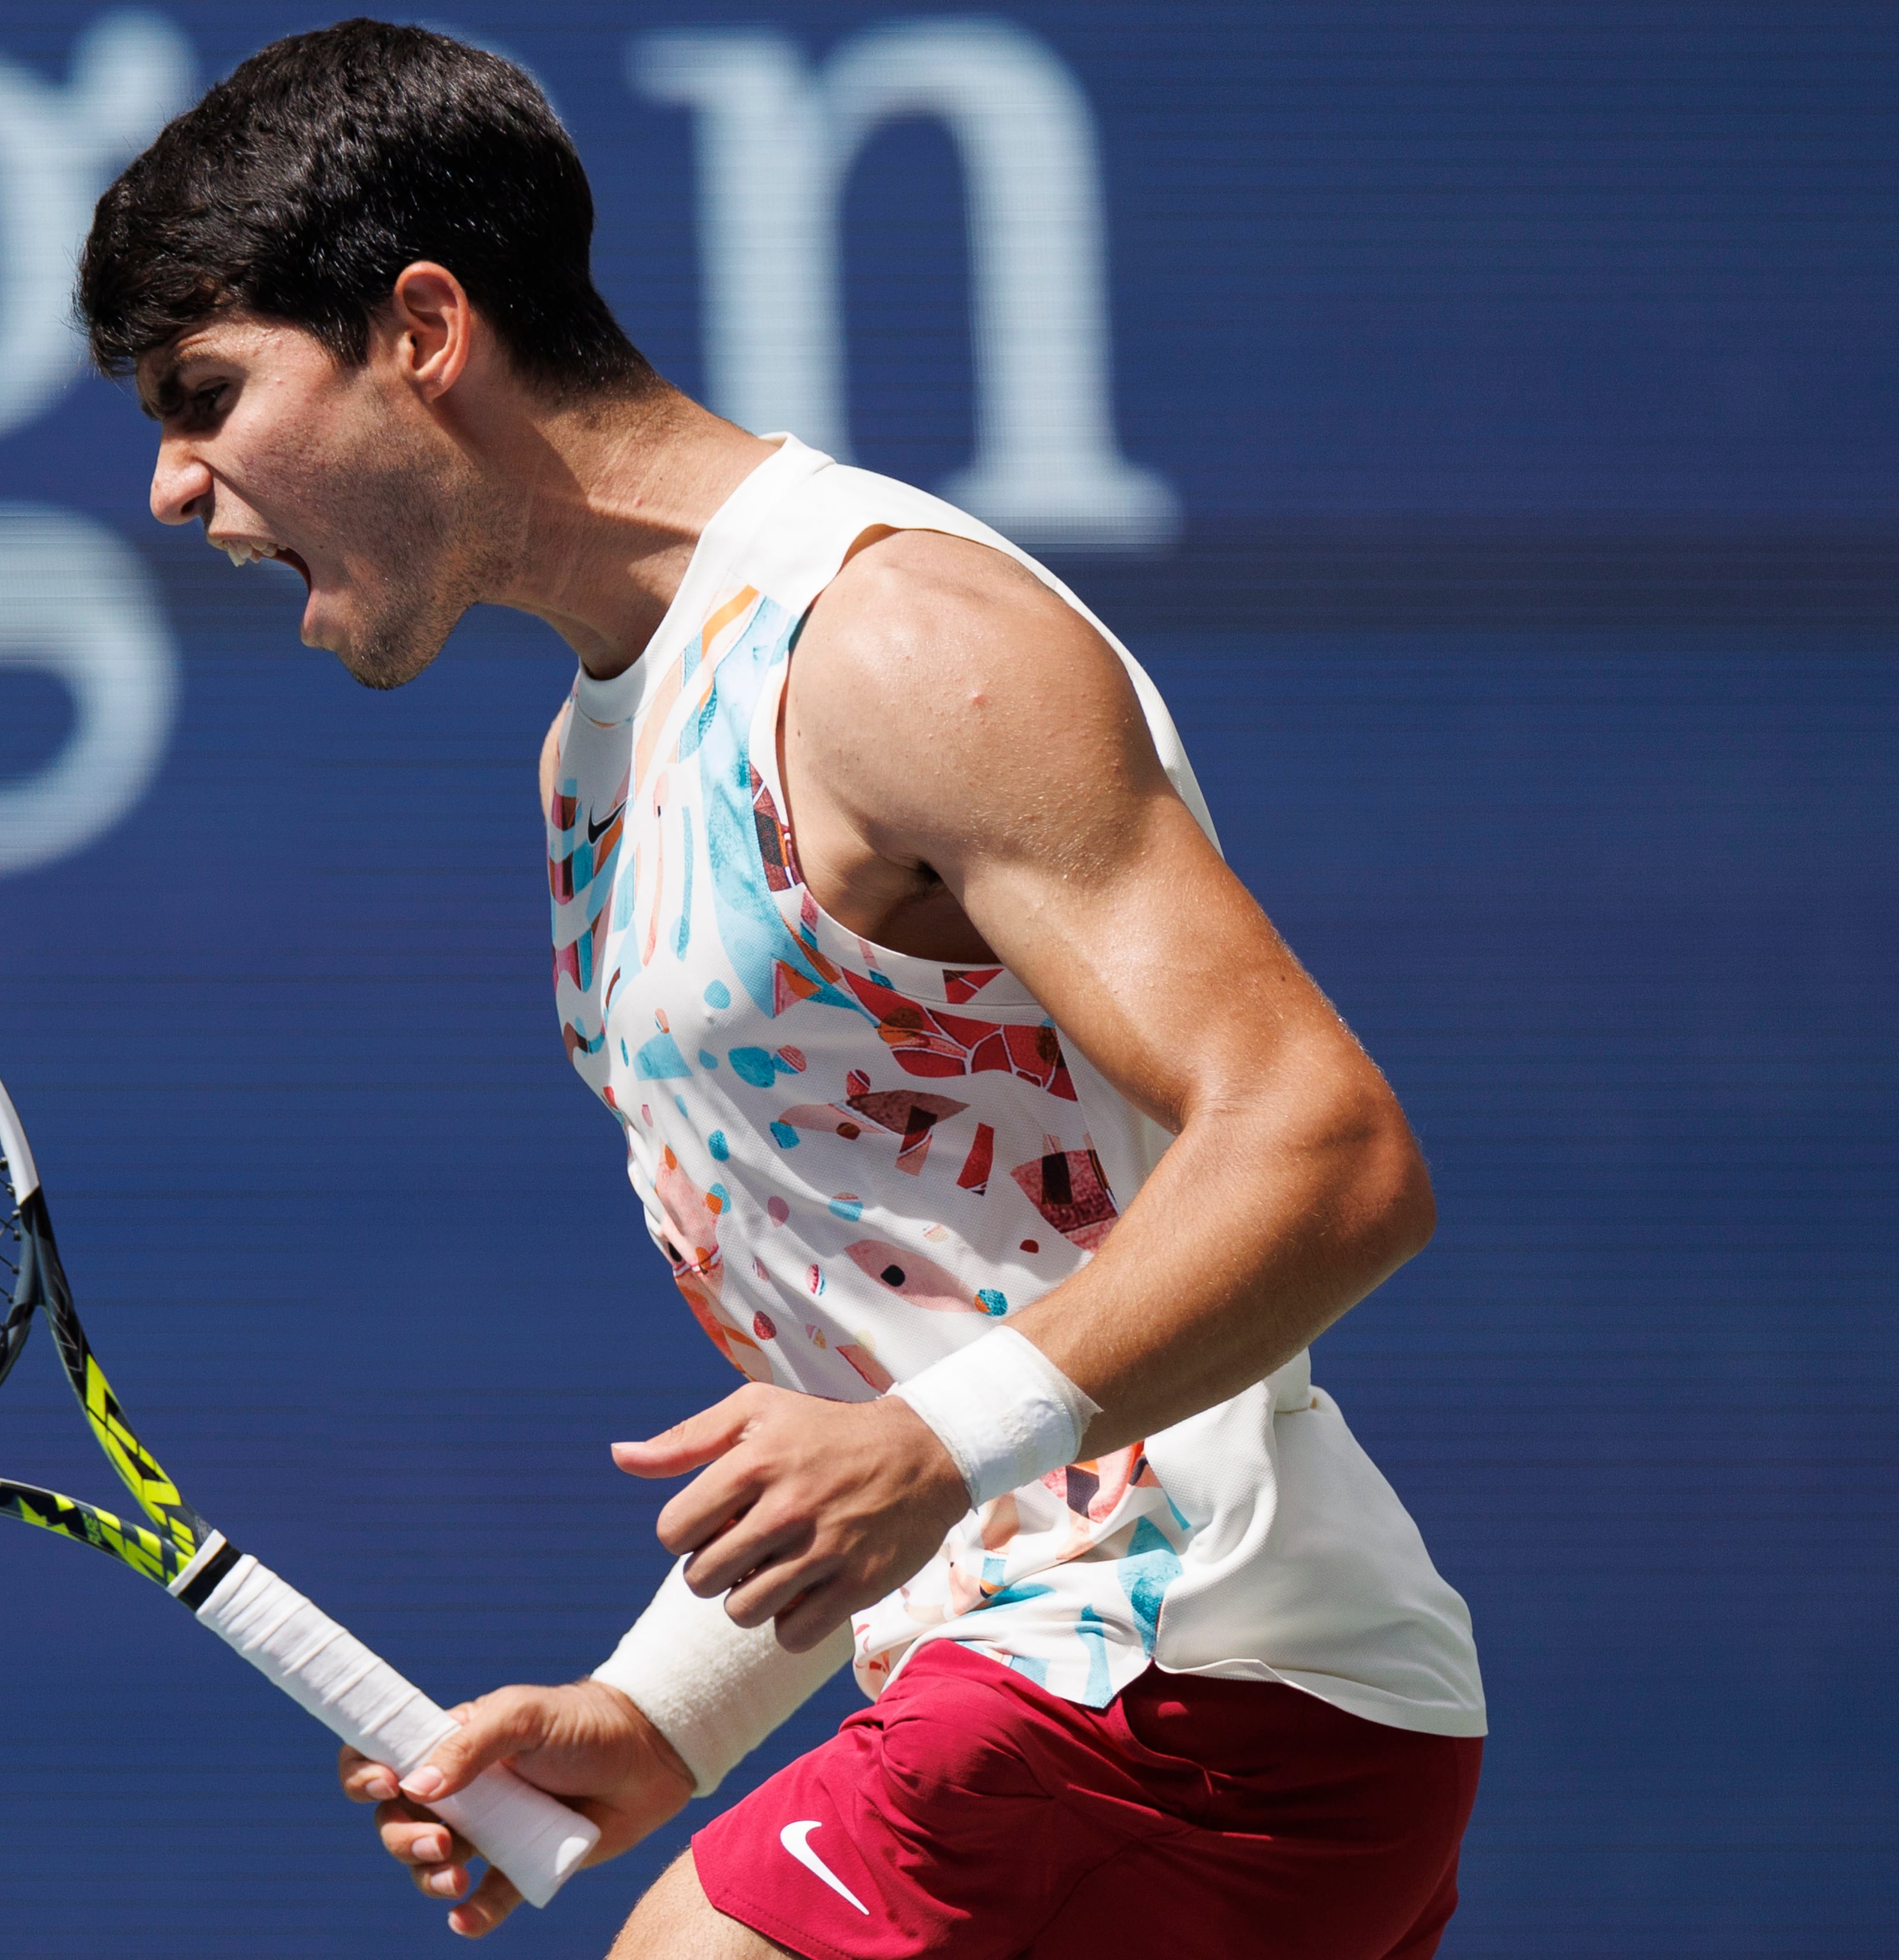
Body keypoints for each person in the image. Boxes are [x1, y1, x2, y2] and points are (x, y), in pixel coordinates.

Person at [78, 21, 1486, 1959]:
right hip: (1114, 1703)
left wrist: (923, 1456)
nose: (170, 486)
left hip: (1185, 1691)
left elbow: (1331, 1152)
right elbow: (894, 1345)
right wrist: (668, 1717)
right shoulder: (601, 761)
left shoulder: (893, 639)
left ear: (422, 327)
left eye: (205, 392)